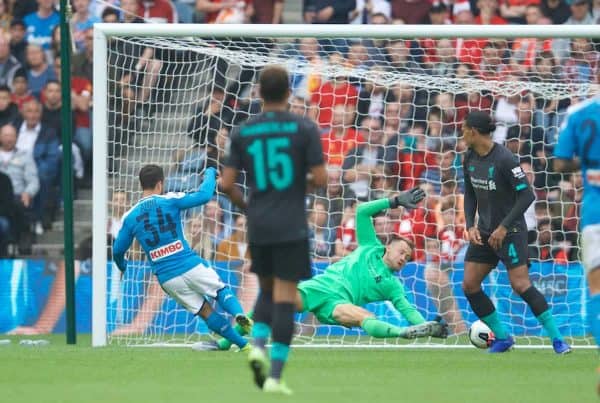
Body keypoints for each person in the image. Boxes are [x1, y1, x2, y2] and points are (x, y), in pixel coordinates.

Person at [214, 194, 449, 352]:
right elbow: (363, 211)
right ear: (389, 246)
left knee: (363, 316)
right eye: (402, 252)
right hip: (319, 288)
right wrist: (395, 200)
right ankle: (226, 343)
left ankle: (404, 333)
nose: (403, 258)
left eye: (407, 258)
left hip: (337, 304)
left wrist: (427, 325)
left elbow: (407, 308)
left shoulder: (392, 284)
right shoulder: (370, 246)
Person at [220, 65, 327, 395]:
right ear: (288, 93)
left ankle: (256, 346)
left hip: (259, 222)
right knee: (284, 297)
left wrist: (248, 207)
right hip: (291, 222)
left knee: (266, 290)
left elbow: (226, 184)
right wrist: (297, 187)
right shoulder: (303, 127)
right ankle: (275, 376)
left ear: (259, 93)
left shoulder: (243, 131)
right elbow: (321, 179)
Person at [461, 111, 570, 354]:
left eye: (464, 129)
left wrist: (503, 227)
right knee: (469, 284)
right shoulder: (468, 158)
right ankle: (502, 337)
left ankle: (558, 340)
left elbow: (527, 195)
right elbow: (469, 193)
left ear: (474, 132)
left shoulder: (504, 158)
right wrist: (470, 225)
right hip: (485, 232)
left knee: (520, 285)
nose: (462, 133)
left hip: (511, 232)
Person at [112, 165, 252, 351]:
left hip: (167, 278)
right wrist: (210, 172)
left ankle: (243, 345)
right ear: (161, 183)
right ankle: (239, 315)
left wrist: (122, 266)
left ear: (141, 185)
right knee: (219, 291)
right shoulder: (169, 200)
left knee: (204, 311)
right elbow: (203, 196)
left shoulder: (130, 216)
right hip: (188, 263)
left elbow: (117, 250)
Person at [553, 95, 600, 393]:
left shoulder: (580, 113)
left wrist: (587, 160)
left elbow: (559, 162)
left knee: (597, 292)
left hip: (596, 216)